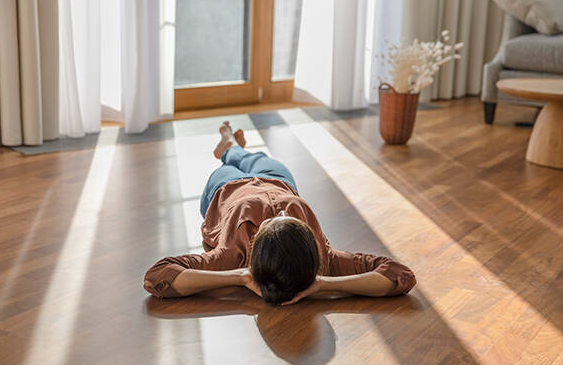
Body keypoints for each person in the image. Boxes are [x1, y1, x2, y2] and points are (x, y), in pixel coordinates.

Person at [144, 122, 416, 305]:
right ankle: (232, 147)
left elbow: (157, 276)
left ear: (254, 245)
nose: (281, 210)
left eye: (271, 221)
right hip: (278, 180)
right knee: (259, 159)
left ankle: (229, 149)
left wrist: (238, 276)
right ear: (309, 240)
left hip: (225, 188)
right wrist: (323, 282)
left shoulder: (231, 256)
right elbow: (399, 274)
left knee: (234, 164)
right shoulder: (323, 256)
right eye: (291, 218)